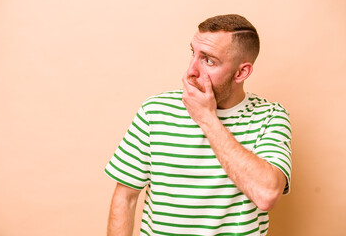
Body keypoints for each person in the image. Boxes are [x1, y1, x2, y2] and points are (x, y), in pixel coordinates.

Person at [105, 14, 292, 236]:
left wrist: (206, 117)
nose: (191, 71)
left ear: (241, 72)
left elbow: (266, 195)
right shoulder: (155, 111)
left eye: (209, 60)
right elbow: (125, 199)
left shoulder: (270, 116)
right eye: (193, 54)